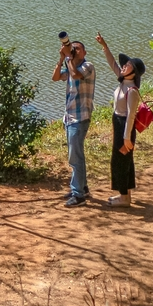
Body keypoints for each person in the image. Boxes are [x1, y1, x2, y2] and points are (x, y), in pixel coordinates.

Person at [95, 32, 146, 208]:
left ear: (134, 72)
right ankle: (126, 195)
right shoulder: (123, 81)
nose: (124, 66)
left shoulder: (131, 90)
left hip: (125, 126)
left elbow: (131, 115)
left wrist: (126, 138)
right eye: (125, 64)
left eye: (128, 65)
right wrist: (105, 46)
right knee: (124, 160)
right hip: (118, 123)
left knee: (120, 160)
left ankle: (124, 197)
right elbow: (112, 64)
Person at [52, 34, 95, 207]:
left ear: (84, 52)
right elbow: (55, 77)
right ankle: (82, 188)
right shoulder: (70, 67)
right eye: (73, 48)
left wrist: (69, 58)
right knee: (77, 155)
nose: (74, 50)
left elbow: (76, 75)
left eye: (77, 48)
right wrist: (61, 59)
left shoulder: (87, 66)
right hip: (69, 118)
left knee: (75, 157)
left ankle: (78, 196)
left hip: (80, 117)